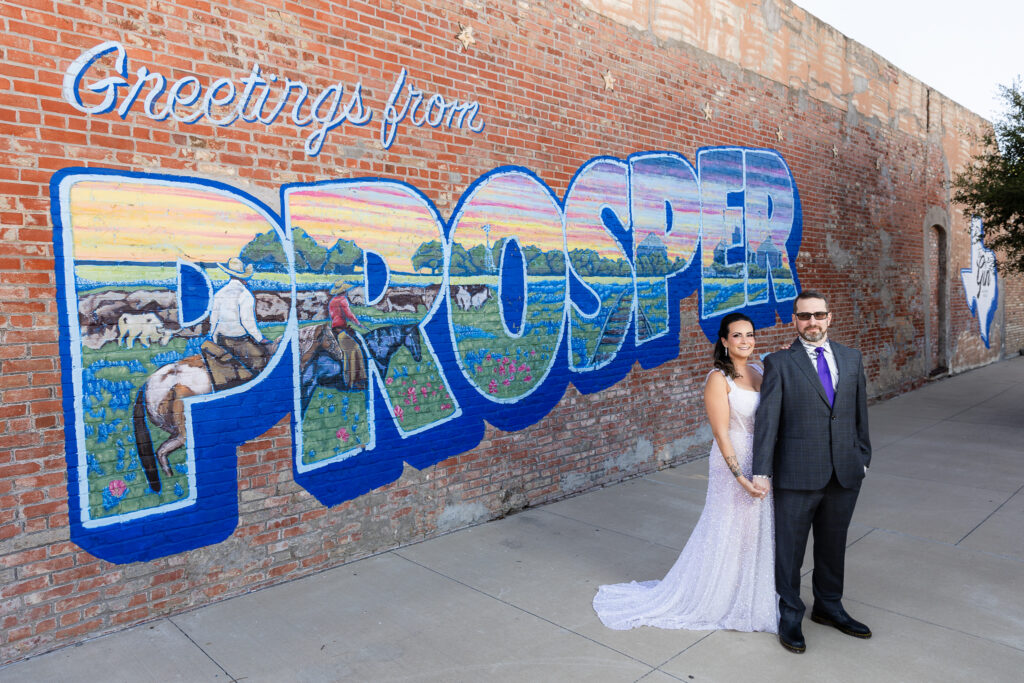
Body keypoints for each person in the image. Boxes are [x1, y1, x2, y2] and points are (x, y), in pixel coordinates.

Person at [593, 312, 777, 633]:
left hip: (760, 459)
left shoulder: (761, 369)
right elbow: (721, 435)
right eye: (737, 335)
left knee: (753, 529)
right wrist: (740, 478)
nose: (745, 341)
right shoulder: (718, 379)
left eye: (750, 334)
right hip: (732, 462)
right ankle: (716, 596)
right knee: (726, 525)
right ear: (724, 341)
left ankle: (745, 593)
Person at [752, 290, 872, 654]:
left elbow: (858, 414)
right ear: (794, 320)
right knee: (790, 550)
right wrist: (762, 471)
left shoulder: (851, 359)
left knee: (833, 546)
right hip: (796, 474)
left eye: (819, 315)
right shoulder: (779, 363)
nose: (812, 322)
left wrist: (863, 457)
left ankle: (829, 606)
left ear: (830, 318)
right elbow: (767, 422)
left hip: (845, 472)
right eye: (804, 316)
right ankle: (790, 612)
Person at [203, 257, 273, 389]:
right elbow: (248, 322)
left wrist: (213, 337)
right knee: (262, 361)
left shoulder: (220, 293)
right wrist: (260, 339)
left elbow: (214, 319)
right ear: (243, 277)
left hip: (221, 339)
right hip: (239, 341)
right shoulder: (245, 294)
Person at [328, 280, 369, 389]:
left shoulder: (332, 301)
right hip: (341, 330)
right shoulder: (342, 300)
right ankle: (352, 380)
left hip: (335, 328)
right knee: (354, 349)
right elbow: (349, 315)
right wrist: (359, 324)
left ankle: (357, 379)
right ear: (344, 291)